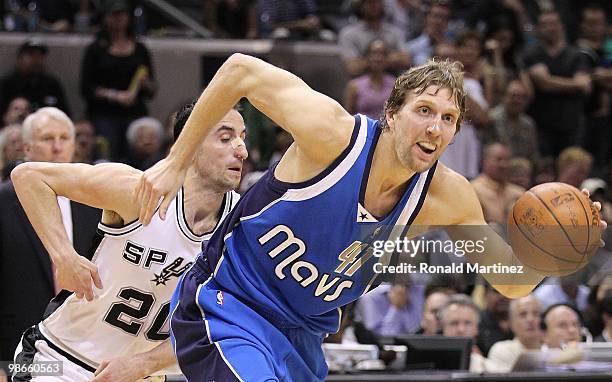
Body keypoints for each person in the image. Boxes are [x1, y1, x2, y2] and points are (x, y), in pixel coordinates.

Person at [133, 55, 605, 381]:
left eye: (448, 118)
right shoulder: (332, 135)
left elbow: (511, 281)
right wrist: (175, 161)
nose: (435, 127)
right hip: (229, 304)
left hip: (300, 337)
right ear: (392, 114)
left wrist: (566, 252)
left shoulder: (447, 196)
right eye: (424, 110)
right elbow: (239, 70)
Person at [10, 104, 247, 382]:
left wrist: (144, 365)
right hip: (60, 358)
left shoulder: (241, 226)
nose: (241, 150)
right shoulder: (138, 190)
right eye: (226, 137)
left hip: (138, 374)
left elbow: (220, 325)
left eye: (243, 137)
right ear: (189, 144)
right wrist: (64, 256)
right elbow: (29, 177)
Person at [0, 108, 100, 376]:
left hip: (82, 348)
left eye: (64, 138)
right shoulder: (3, 201)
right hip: (15, 348)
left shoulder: (96, 201)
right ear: (26, 147)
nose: (58, 147)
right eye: (47, 139)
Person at [80, 0, 156, 160]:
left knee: (143, 141)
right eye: (114, 14)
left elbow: (152, 89)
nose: (119, 18)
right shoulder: (95, 50)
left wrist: (145, 83)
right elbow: (86, 87)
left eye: (122, 14)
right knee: (108, 148)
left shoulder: (140, 49)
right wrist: (115, 95)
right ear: (106, 18)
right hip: (104, 113)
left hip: (134, 111)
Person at [487, 295, 543, 371]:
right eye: (523, 314)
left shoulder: (551, 350)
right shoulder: (502, 351)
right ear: (512, 323)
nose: (530, 319)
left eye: (535, 313)